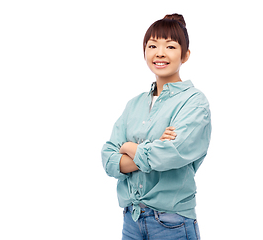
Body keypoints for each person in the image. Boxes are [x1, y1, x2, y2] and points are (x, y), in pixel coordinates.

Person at [101, 13, 211, 240]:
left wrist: (129, 146)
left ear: (185, 55)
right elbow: (108, 159)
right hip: (132, 220)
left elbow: (169, 155)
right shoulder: (134, 104)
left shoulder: (194, 102)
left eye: (170, 46)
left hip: (172, 223)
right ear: (145, 52)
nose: (160, 53)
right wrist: (153, 146)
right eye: (152, 45)